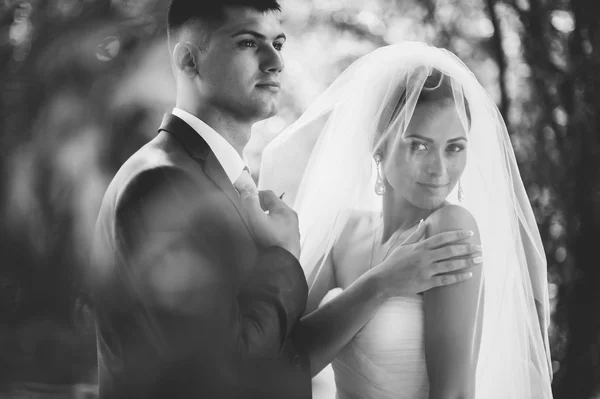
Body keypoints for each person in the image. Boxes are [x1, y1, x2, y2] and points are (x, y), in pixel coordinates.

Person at [89, 2, 480, 398]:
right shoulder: (163, 184)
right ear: (189, 61)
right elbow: (226, 374)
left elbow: (280, 353)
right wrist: (284, 256)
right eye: (248, 42)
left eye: (278, 43)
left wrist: (373, 285)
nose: (275, 61)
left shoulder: (216, 183)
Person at [260, 42, 554, 398]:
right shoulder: (343, 232)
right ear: (378, 145)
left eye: (454, 148)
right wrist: (381, 282)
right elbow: (279, 359)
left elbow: (455, 393)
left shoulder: (450, 228)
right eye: (419, 145)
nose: (440, 170)